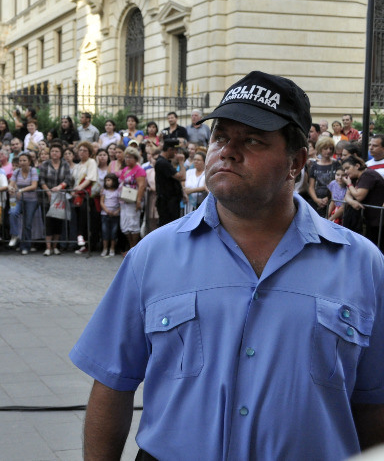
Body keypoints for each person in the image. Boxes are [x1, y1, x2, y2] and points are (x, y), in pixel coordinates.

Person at [70, 70, 384, 460]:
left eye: (252, 140)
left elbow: (374, 403)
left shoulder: (362, 264)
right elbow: (111, 386)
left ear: (296, 160)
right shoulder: (152, 255)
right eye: (221, 137)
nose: (227, 151)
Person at [39, 142, 73, 255]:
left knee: (58, 221)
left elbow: (68, 179)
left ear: (61, 153)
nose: (54, 153)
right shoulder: (45, 164)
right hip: (47, 197)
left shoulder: (65, 165)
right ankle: (48, 247)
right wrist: (48, 192)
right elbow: (42, 180)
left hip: (60, 197)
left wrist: (59, 187)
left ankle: (55, 246)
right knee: (48, 222)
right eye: (53, 151)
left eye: (57, 151)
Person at [344, 155, 384, 247]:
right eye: (344, 169)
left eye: (347, 168)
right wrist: (352, 202)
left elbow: (358, 196)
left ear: (357, 166)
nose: (346, 172)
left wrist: (349, 184)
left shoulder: (368, 174)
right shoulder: (355, 178)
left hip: (378, 221)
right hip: (367, 221)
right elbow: (347, 195)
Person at [8, 152, 39, 255]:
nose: (22, 162)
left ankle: (25, 246)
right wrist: (11, 189)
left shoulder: (33, 171)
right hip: (18, 199)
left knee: (27, 223)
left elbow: (34, 186)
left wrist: (21, 190)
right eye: (20, 160)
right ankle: (15, 235)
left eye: (24, 160)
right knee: (12, 212)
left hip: (31, 200)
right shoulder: (16, 172)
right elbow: (11, 184)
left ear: (29, 161)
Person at [72, 141, 98, 253]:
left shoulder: (91, 162)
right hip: (77, 196)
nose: (82, 152)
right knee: (78, 219)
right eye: (80, 150)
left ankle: (88, 244)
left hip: (87, 196)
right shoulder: (77, 165)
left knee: (86, 219)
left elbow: (90, 178)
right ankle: (81, 243)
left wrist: (79, 188)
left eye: (85, 150)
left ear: (90, 152)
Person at [117, 147, 146, 249]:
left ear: (136, 159)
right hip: (124, 201)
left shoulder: (139, 170)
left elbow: (142, 186)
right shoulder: (125, 169)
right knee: (125, 225)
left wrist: (138, 201)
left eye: (130, 158)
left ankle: (134, 247)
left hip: (133, 201)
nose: (128, 160)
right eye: (126, 157)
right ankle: (130, 246)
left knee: (133, 223)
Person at [154, 139, 186, 226]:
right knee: (169, 226)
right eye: (176, 150)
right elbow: (182, 177)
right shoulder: (162, 163)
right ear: (170, 150)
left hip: (171, 202)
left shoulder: (165, 162)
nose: (176, 153)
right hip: (167, 203)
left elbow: (173, 180)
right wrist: (181, 162)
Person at [307, 137, 340, 217]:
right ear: (320, 148)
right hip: (317, 200)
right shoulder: (315, 166)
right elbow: (311, 186)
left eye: (331, 148)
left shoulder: (336, 164)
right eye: (325, 148)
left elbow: (339, 185)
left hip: (332, 200)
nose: (328, 151)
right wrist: (316, 200)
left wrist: (329, 198)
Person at [99, 173, 120, 257]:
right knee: (105, 232)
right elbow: (102, 201)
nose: (107, 182)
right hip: (105, 214)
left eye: (109, 180)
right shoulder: (104, 190)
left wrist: (117, 211)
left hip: (115, 214)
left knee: (114, 232)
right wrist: (106, 210)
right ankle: (105, 248)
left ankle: (112, 248)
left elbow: (120, 203)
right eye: (106, 180)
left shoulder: (118, 191)